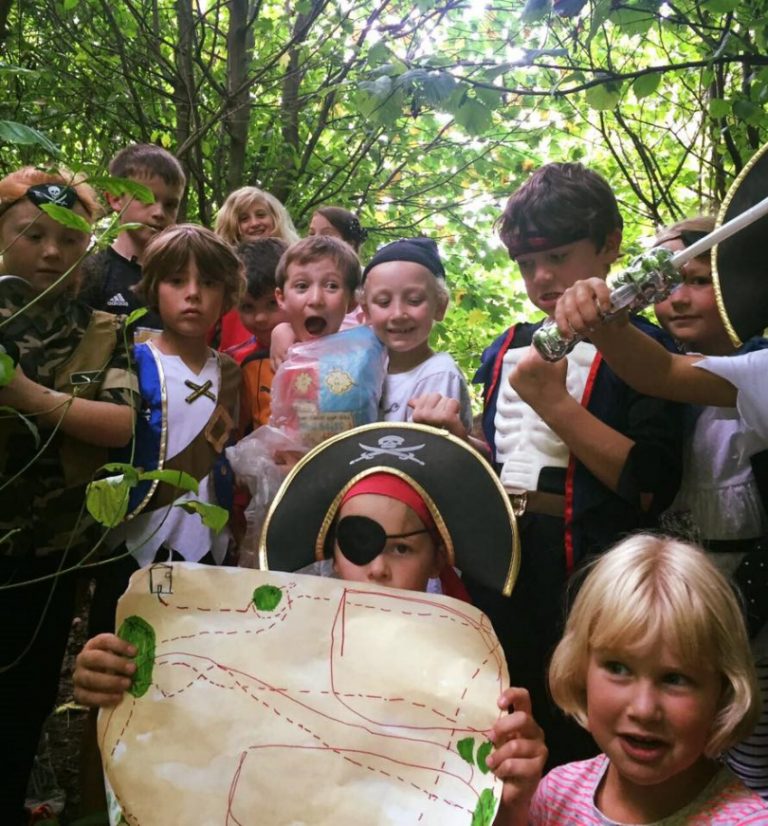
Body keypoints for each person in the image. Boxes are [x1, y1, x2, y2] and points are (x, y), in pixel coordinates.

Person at [74, 421, 545, 825]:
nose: (378, 569)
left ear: (437, 557)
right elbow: (184, 737)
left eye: (402, 548)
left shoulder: (470, 684)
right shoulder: (266, 651)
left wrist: (512, 799)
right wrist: (119, 685)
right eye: (358, 546)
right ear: (334, 553)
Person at [466, 162, 684, 767]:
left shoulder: (647, 352)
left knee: (579, 721)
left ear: (609, 244)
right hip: (502, 568)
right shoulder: (505, 347)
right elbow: (501, 458)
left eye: (558, 256)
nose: (541, 277)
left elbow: (651, 487)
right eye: (526, 263)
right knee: (503, 712)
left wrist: (556, 405)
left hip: (593, 573)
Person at [0, 166, 138, 825]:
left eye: (68, 240)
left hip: (47, 560)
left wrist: (26, 395)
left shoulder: (104, 330)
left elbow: (120, 423)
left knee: (19, 709)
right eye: (32, 235)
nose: (51, 252)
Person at [528, 533, 767, 823]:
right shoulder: (554, 797)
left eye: (675, 679)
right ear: (579, 670)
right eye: (618, 668)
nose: (643, 709)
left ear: (723, 691)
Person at [360, 237, 473, 433]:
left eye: (414, 300)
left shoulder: (439, 373)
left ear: (440, 306)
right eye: (384, 302)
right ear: (366, 311)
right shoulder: (364, 371)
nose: (398, 314)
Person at [78, 143, 186, 340]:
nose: (159, 212)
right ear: (115, 199)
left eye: (170, 205)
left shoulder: (185, 278)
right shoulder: (91, 275)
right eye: (147, 199)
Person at [212, 186, 299, 353]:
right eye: (244, 219)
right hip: (238, 359)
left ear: (275, 217)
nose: (254, 223)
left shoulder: (297, 266)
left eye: (261, 215)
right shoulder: (221, 274)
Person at [233, 238, 288, 430]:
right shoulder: (238, 363)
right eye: (247, 307)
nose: (260, 318)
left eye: (272, 303)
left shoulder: (320, 348)